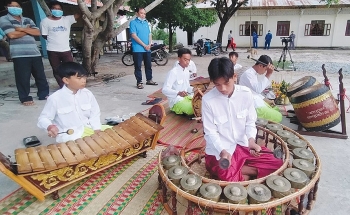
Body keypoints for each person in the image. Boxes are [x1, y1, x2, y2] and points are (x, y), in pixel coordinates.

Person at [203, 57, 283, 182]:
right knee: (225, 173)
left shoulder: (245, 94)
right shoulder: (208, 100)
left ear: (234, 77)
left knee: (277, 162)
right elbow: (210, 133)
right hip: (222, 151)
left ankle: (242, 172)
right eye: (218, 84)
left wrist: (251, 141)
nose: (223, 88)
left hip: (243, 146)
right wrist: (222, 151)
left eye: (226, 83)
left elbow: (250, 122)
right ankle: (245, 172)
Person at [37, 62, 110, 143]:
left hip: (89, 128)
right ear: (66, 80)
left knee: (116, 133)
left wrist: (97, 129)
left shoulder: (87, 93)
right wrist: (50, 127)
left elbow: (95, 113)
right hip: (72, 136)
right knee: (97, 145)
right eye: (79, 78)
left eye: (84, 77)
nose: (84, 81)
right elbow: (43, 119)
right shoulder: (55, 98)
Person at [0, 0, 49, 106]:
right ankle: (25, 97)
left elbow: (37, 32)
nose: (15, 8)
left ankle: (43, 94)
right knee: (23, 77)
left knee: (40, 75)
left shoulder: (28, 19)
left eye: (17, 6)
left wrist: (20, 29)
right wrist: (27, 30)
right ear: (6, 7)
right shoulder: (4, 19)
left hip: (34, 52)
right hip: (19, 53)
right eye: (12, 6)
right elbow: (11, 35)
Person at [40, 1, 80, 88]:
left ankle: (71, 85)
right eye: (55, 8)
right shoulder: (45, 21)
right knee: (57, 70)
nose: (57, 10)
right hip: (52, 50)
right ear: (51, 9)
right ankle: (62, 86)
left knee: (70, 68)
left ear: (62, 10)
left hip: (65, 49)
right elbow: (44, 35)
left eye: (59, 9)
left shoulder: (67, 19)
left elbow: (79, 14)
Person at [239, 55, 282, 123]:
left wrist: (266, 100)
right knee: (279, 116)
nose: (265, 72)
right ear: (260, 65)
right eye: (265, 69)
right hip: (252, 106)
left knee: (276, 109)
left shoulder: (253, 73)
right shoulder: (248, 74)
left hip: (256, 100)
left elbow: (255, 92)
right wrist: (268, 74)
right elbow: (258, 89)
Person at [129, 7, 157, 89]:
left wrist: (149, 44)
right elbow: (133, 35)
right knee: (138, 66)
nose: (143, 15)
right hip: (138, 49)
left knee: (148, 65)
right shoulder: (133, 23)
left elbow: (149, 34)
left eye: (144, 13)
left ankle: (149, 79)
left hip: (147, 49)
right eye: (141, 13)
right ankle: (139, 82)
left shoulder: (146, 23)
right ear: (137, 13)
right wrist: (144, 45)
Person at [162, 48, 194, 115]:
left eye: (189, 60)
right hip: (176, 101)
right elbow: (165, 89)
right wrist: (178, 93)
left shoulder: (186, 71)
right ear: (179, 59)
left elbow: (187, 87)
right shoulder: (173, 72)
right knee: (192, 109)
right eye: (185, 59)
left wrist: (194, 89)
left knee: (202, 103)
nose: (187, 62)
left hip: (186, 97)